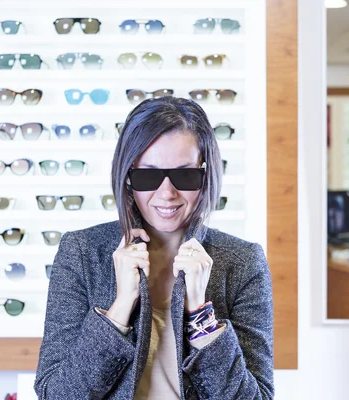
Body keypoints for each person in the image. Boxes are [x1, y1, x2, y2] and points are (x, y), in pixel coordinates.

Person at [34, 96, 274, 399]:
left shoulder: (241, 262)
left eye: (185, 175)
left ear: (205, 173)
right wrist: (120, 307)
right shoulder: (82, 253)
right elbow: (56, 394)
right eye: (148, 175)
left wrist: (201, 315)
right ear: (128, 177)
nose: (167, 193)